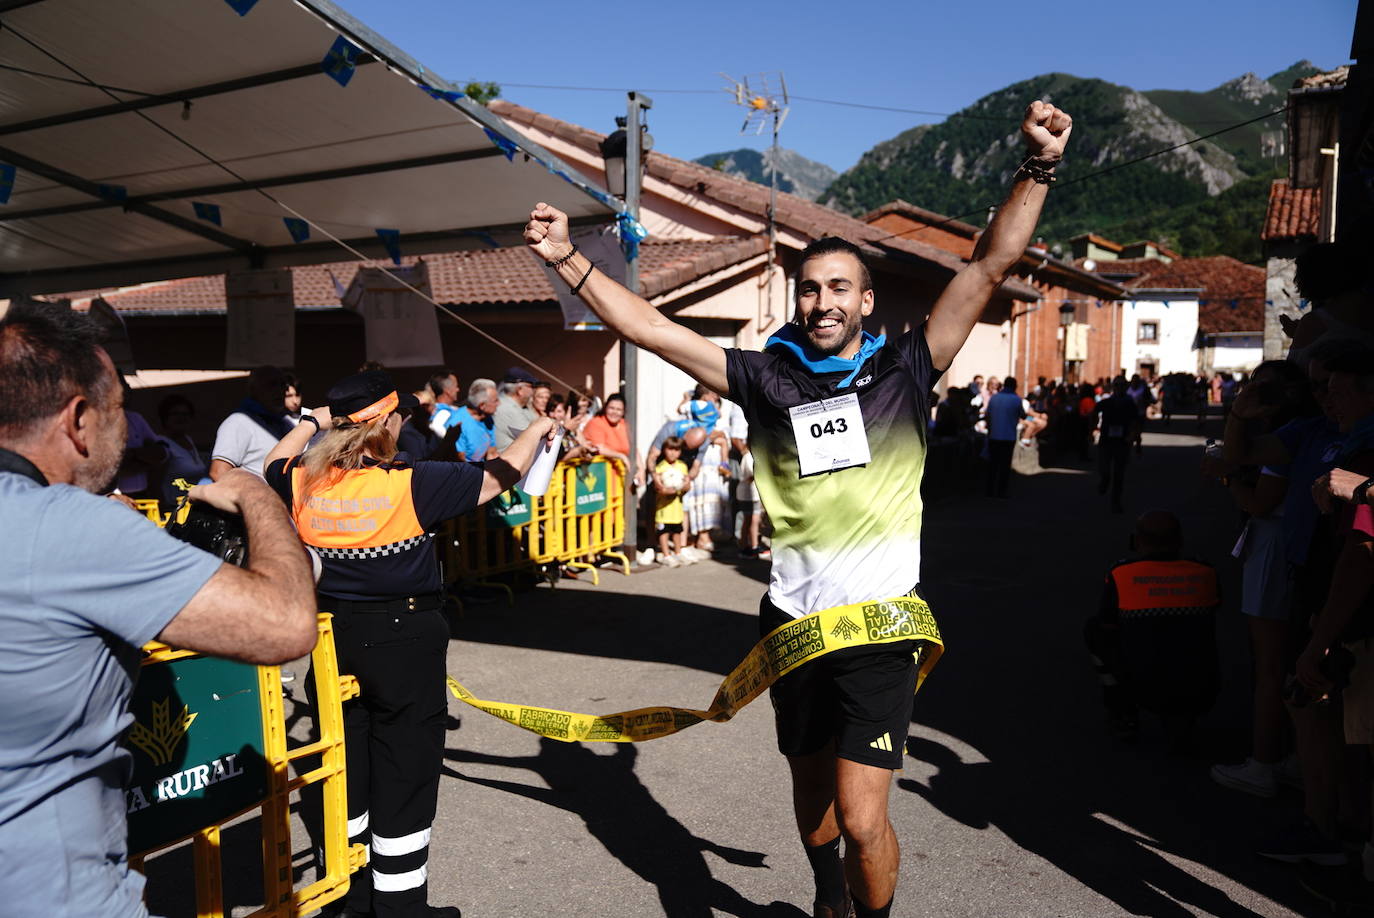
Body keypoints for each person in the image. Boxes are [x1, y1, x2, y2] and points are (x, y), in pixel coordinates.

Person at [525, 98, 1072, 918]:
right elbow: (649, 328)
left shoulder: (908, 370)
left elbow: (988, 268)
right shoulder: (764, 378)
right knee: (813, 800)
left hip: (881, 630)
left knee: (862, 816)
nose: (822, 302)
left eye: (839, 288)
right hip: (791, 624)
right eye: (810, 288)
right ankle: (827, 900)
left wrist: (1039, 166)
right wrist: (568, 260)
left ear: (865, 300)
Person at [0, 301, 316, 918]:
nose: (128, 426)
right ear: (80, 419)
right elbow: (287, 623)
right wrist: (256, 493)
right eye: (121, 408)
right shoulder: (74, 529)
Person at [262, 369, 557, 918]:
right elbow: (502, 474)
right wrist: (540, 426)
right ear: (385, 424)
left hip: (333, 639)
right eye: (398, 418)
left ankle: (347, 893)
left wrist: (310, 422)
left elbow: (269, 464)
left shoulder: (303, 479)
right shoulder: (411, 481)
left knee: (345, 765)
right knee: (405, 769)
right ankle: (399, 906)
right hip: (404, 637)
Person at [1083, 511, 1220, 744]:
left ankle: (1122, 711)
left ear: (1137, 541)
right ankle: (1186, 717)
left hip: (1142, 684)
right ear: (1180, 541)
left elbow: (1107, 622)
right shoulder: (1206, 571)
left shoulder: (1122, 573)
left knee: (1095, 630)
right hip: (1203, 685)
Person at [209, 364, 292, 480]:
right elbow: (219, 473)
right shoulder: (239, 422)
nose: (280, 390)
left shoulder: (287, 424)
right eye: (272, 384)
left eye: (283, 384)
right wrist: (252, 497)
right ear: (253, 390)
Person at [155, 393, 209, 509]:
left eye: (185, 414)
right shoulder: (161, 444)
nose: (181, 418)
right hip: (172, 508)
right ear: (165, 418)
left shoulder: (188, 439)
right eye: (175, 414)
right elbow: (155, 483)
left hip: (192, 506)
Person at [580, 392, 644, 488]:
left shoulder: (624, 424)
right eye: (611, 408)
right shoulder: (596, 423)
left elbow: (633, 448)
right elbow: (599, 448)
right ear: (605, 408)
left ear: (623, 412)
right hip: (599, 479)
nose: (614, 412)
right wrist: (621, 456)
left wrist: (641, 469)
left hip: (622, 479)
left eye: (618, 409)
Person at [1095, 377, 1139, 514]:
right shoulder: (1106, 402)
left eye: (1122, 385)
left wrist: (1133, 437)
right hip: (1106, 440)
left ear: (1126, 387)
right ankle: (1104, 480)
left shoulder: (1130, 403)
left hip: (1122, 441)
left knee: (1119, 474)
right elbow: (1094, 412)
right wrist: (1092, 428)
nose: (1119, 387)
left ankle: (1116, 502)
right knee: (1105, 469)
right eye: (1117, 385)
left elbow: (1135, 421)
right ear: (1114, 387)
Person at [984, 375, 1025, 498]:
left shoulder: (995, 398)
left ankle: (990, 490)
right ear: (1014, 386)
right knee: (1005, 466)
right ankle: (1001, 492)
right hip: (1008, 437)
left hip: (994, 436)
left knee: (993, 465)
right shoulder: (1016, 399)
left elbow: (988, 416)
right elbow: (1022, 415)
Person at [653, 436, 691, 567]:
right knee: (663, 532)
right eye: (670, 449)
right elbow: (658, 488)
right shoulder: (660, 467)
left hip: (677, 508)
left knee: (677, 531)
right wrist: (668, 489)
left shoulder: (682, 466)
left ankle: (678, 552)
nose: (673, 452)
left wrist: (683, 486)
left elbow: (687, 485)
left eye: (676, 450)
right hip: (663, 509)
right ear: (664, 450)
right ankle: (666, 555)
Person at [454, 378, 501, 463]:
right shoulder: (457, 422)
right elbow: (460, 458)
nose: (499, 403)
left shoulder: (487, 418)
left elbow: (492, 450)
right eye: (495, 401)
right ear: (482, 405)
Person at [492, 368, 539, 449]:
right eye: (531, 386)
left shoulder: (521, 407)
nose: (533, 391)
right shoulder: (506, 408)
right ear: (519, 390)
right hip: (507, 459)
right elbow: (534, 436)